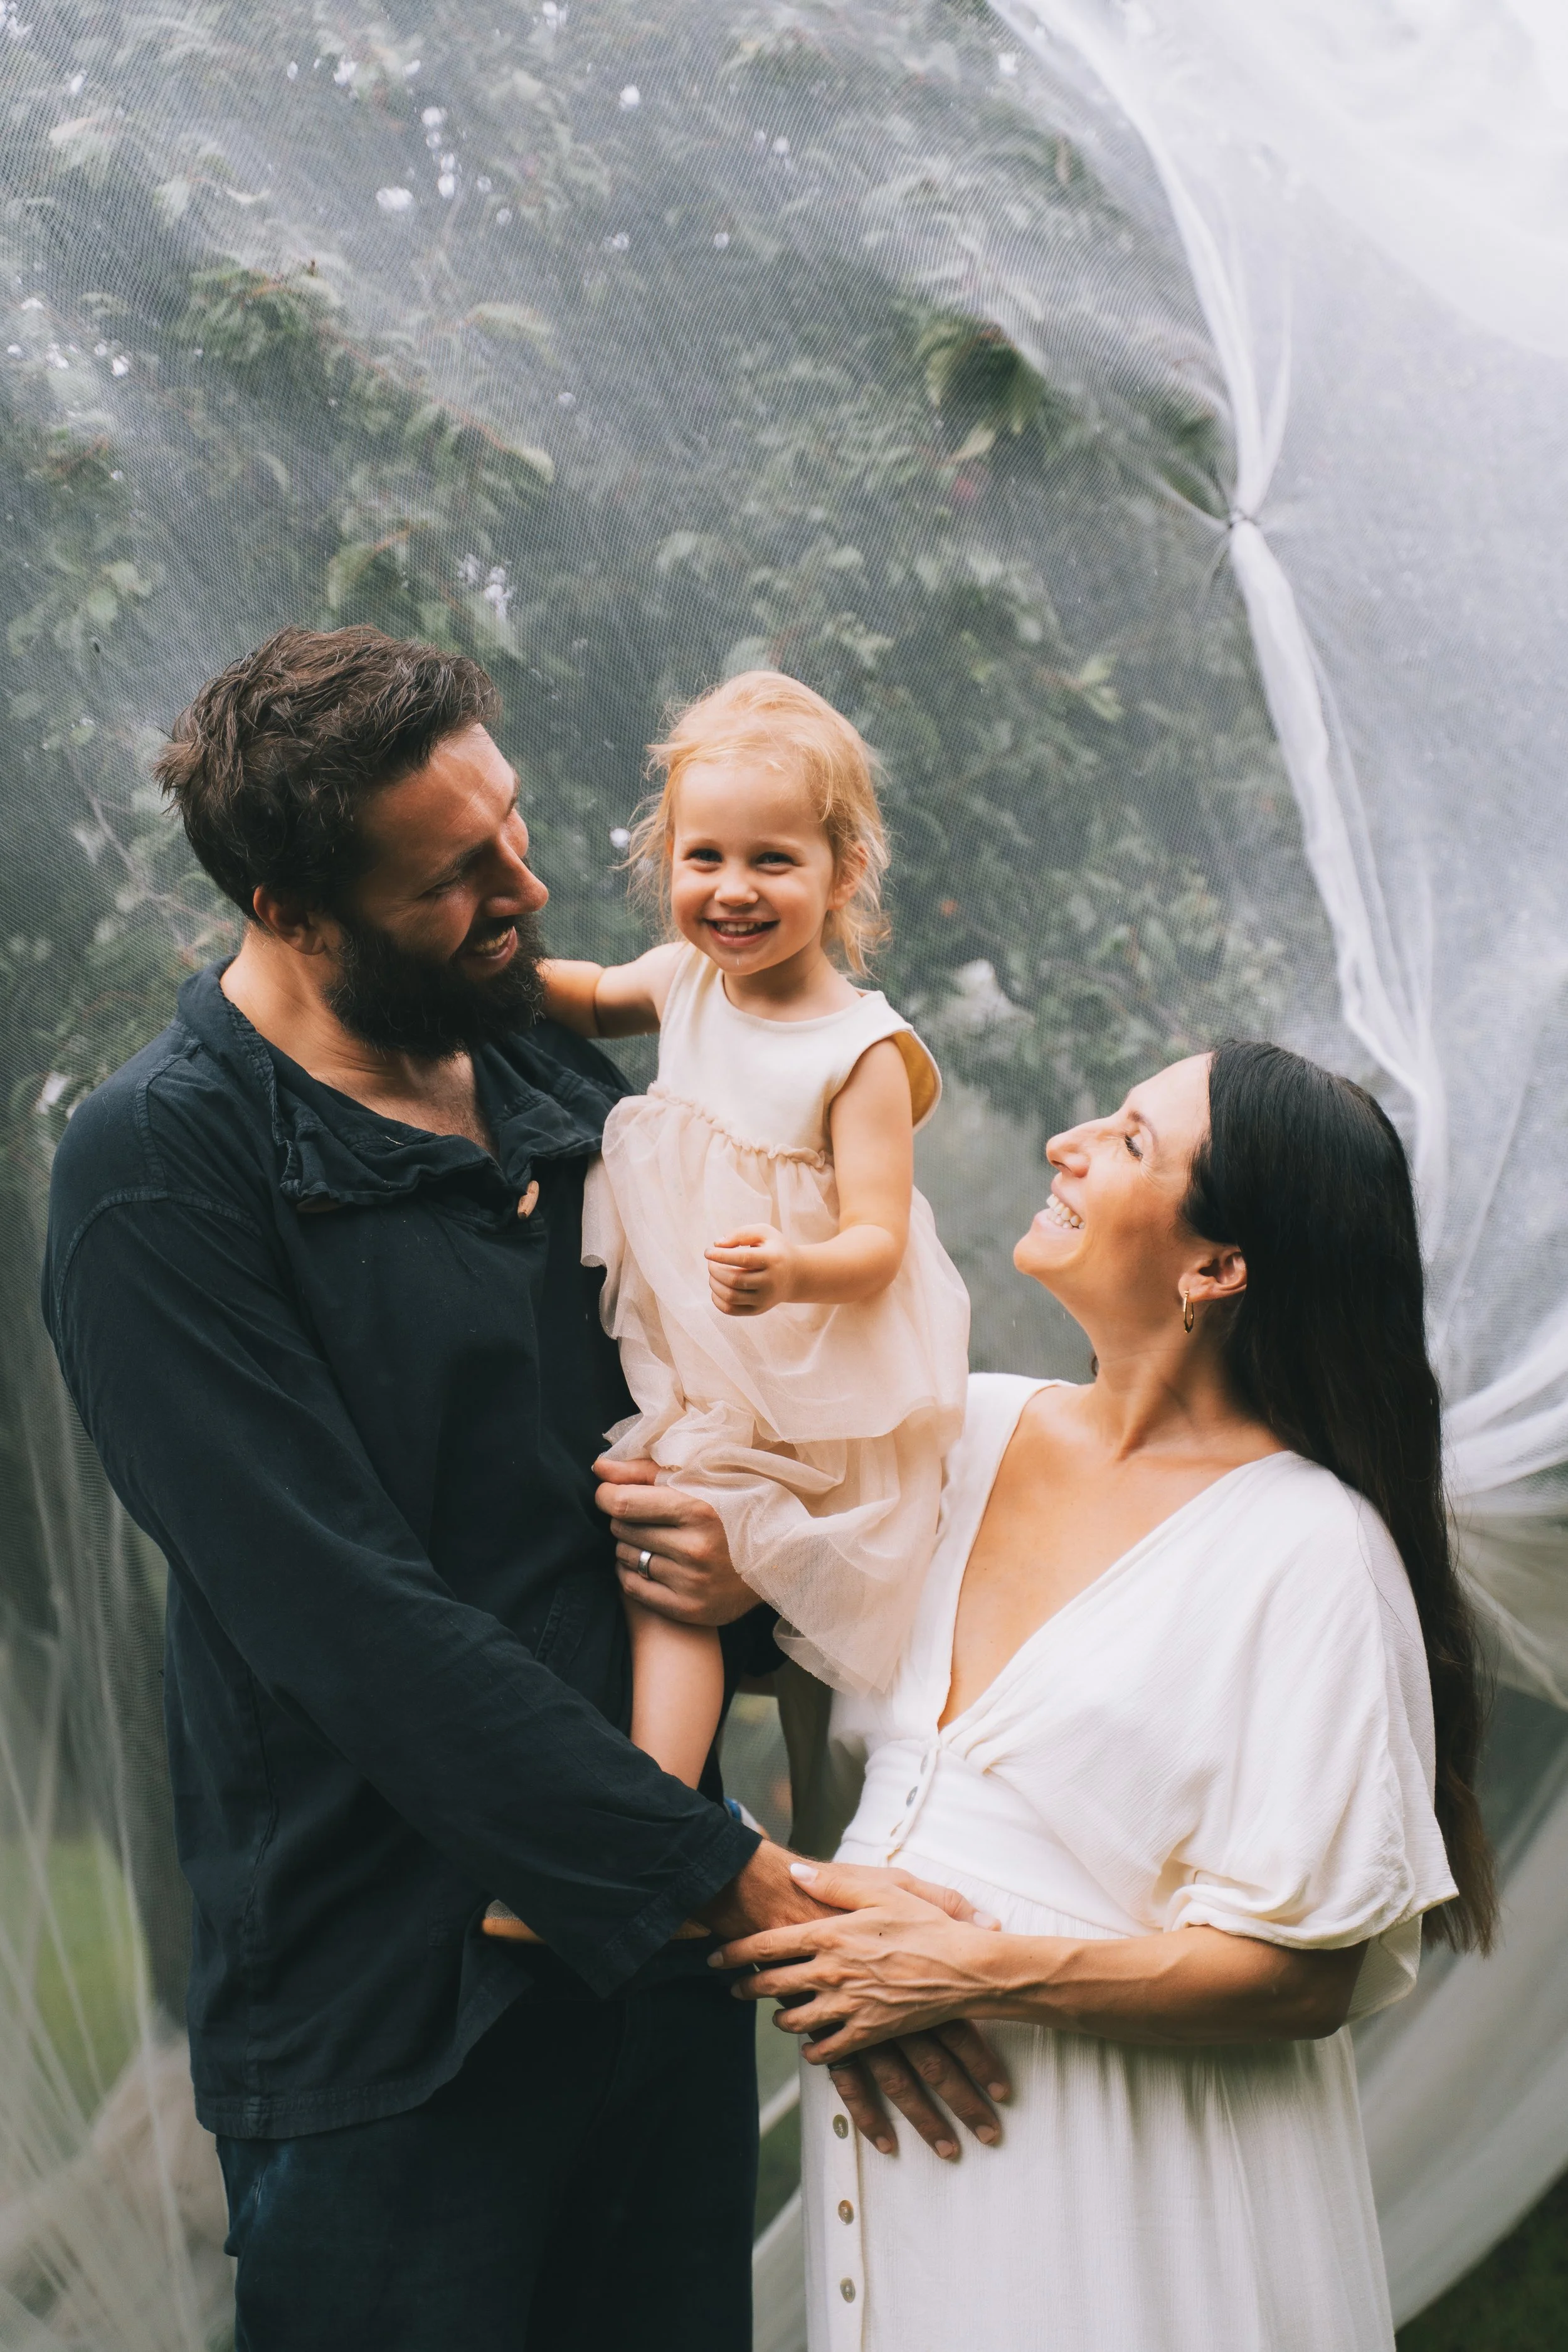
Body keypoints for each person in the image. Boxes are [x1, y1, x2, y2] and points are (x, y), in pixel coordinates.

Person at [38, 625, 1002, 2352]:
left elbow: (717, 1399)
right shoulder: (158, 1171)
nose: (529, 889)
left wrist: (754, 1575)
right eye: (457, 876)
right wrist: (740, 1881)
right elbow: (345, 1613)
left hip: (652, 1968)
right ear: (292, 905)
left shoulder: (546, 1066)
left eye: (514, 830)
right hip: (396, 2006)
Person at [714, 1042, 1498, 2352]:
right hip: (910, 2183)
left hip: (1132, 2192)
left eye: (1130, 1139)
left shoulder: (1308, 1549)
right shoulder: (950, 1433)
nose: (1063, 1141)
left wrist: (968, 1971)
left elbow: (1308, 1976)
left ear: (1215, 1266)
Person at [529, 672, 969, 1798]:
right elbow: (580, 994)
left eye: (773, 861)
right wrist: (485, 970)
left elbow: (876, 1240)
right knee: (691, 1566)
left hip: (808, 1370)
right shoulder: (684, 982)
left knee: (707, 1567)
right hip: (701, 1352)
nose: (733, 891)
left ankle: (653, 1822)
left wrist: (794, 1268)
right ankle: (707, 1816)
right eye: (703, 857)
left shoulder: (862, 1051)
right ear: (666, 860)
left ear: (843, 873)